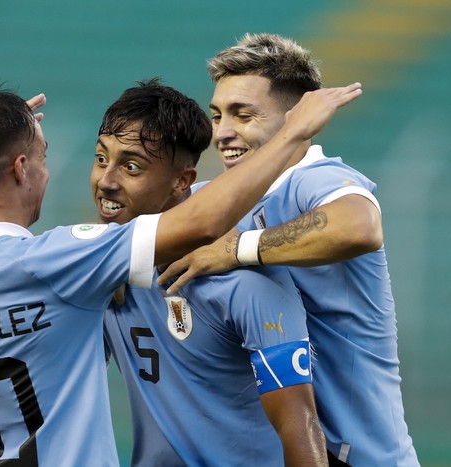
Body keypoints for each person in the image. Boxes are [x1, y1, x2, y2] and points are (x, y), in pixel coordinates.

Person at [0, 76, 361, 466]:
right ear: (19, 169)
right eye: (43, 156)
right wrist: (292, 133)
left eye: (130, 165)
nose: (105, 179)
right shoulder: (64, 264)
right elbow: (200, 222)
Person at [158, 33, 419, 466]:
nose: (222, 133)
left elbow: (360, 226)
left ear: (298, 118)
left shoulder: (313, 179)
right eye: (218, 115)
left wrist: (238, 248)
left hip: (359, 455)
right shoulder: (214, 200)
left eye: (243, 115)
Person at [94, 79, 326, 466]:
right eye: (102, 159)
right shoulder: (95, 269)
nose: (106, 181)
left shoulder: (247, 284)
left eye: (131, 166)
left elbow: (298, 424)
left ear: (181, 182)